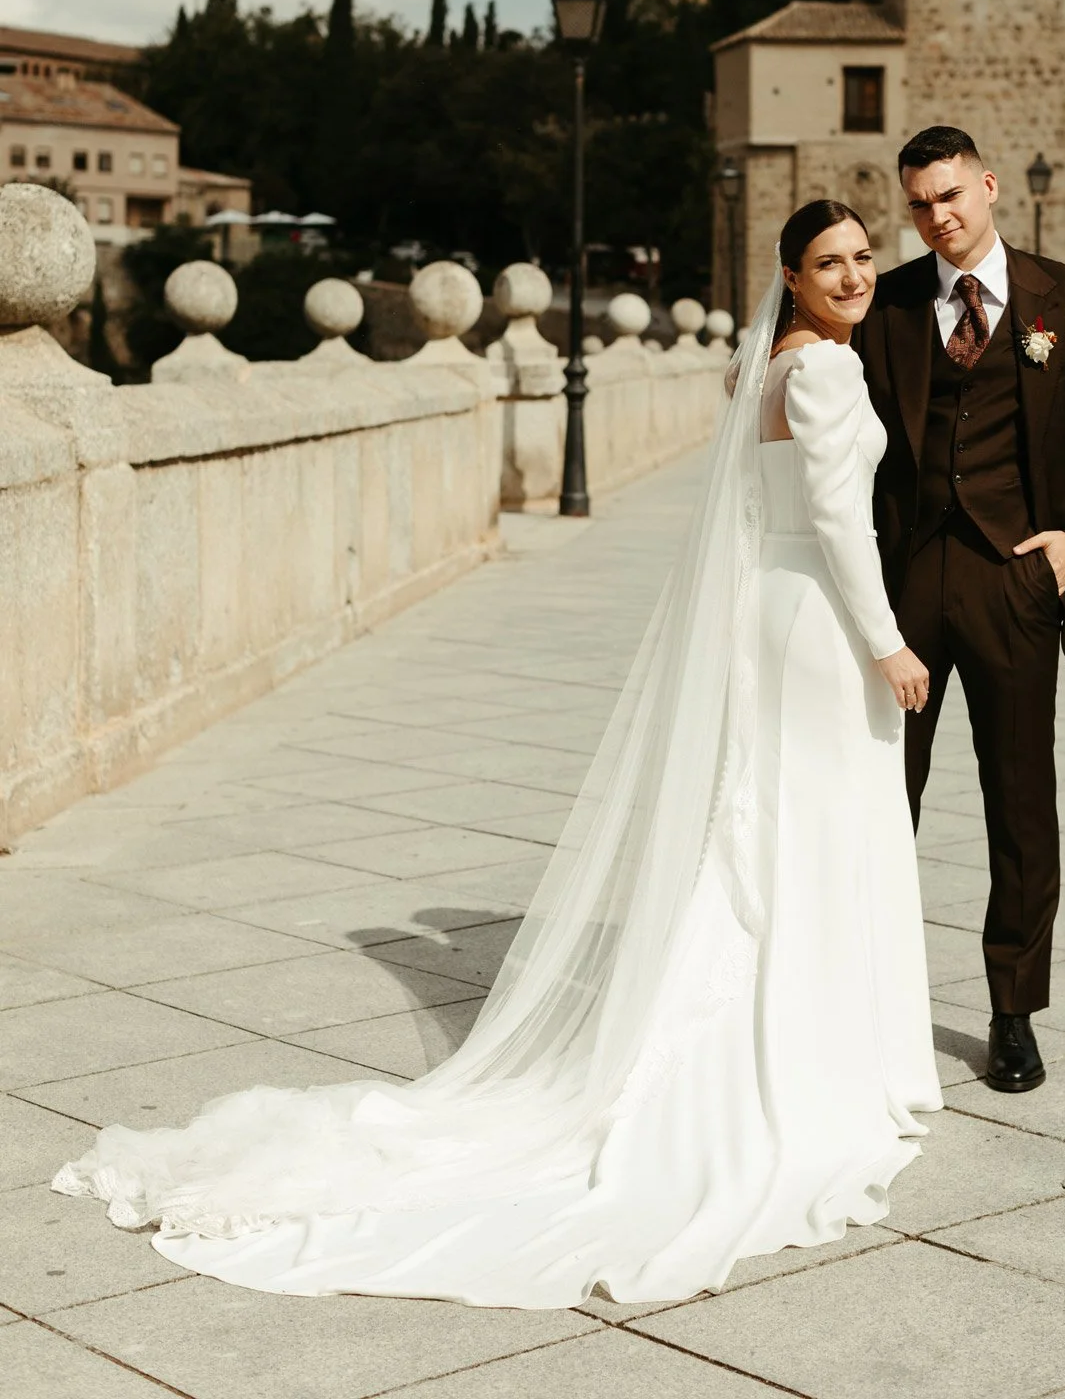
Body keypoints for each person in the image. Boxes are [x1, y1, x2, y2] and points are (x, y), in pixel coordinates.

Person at [54, 200, 941, 1307]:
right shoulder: (822, 377)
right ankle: (809, 1064)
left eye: (863, 257)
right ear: (790, 275)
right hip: (821, 618)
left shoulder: (767, 371)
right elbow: (841, 524)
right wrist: (890, 643)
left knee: (780, 827)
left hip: (778, 611)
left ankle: (803, 1038)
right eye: (831, 262)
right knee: (817, 833)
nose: (854, 274)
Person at [856, 126, 1065, 1095]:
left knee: (1018, 802)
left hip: (1016, 580)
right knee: (877, 790)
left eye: (950, 195)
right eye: (919, 203)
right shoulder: (888, 301)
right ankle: (862, 994)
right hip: (907, 582)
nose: (938, 216)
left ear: (986, 186)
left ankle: (1012, 1009)